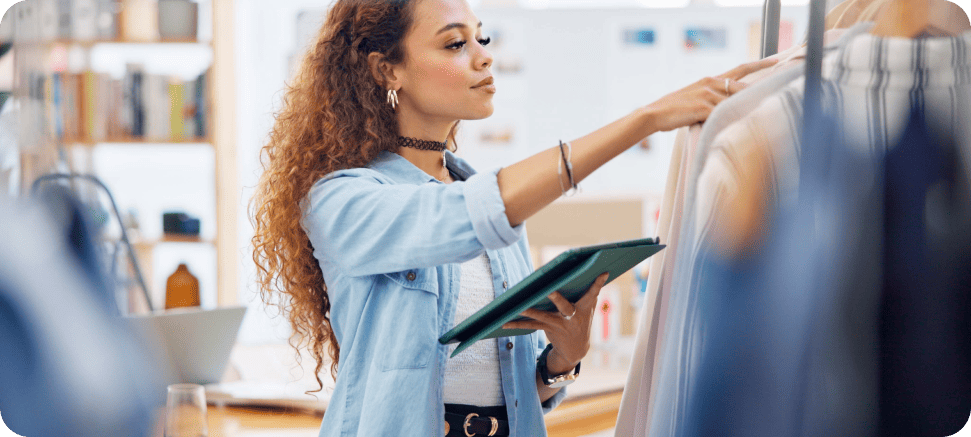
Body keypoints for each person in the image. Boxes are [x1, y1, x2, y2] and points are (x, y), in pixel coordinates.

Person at [249, 0, 777, 435]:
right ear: (388, 68)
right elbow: (456, 216)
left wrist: (560, 361)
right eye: (456, 43)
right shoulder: (343, 200)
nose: (483, 58)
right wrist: (645, 120)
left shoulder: (484, 198)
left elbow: (512, 386)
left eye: (483, 40)